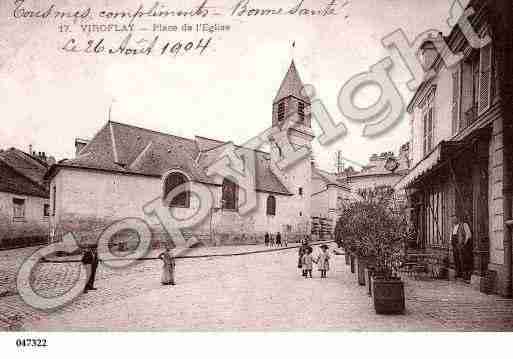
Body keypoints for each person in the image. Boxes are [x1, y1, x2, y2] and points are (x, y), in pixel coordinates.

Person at [451, 216, 472, 281]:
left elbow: (469, 235)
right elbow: (452, 236)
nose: (453, 220)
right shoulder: (453, 227)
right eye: (452, 219)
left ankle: (465, 275)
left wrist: (464, 243)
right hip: (455, 246)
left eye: (454, 219)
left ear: (458, 218)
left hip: (462, 246)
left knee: (463, 260)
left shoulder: (464, 224)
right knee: (456, 259)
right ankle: (458, 274)